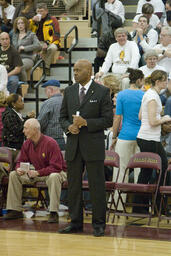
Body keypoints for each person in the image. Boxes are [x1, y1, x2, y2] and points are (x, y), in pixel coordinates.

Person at [59, 59, 113, 237]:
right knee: (73, 187)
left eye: (78, 70)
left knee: (96, 187)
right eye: (73, 70)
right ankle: (75, 223)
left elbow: (108, 120)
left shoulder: (102, 91)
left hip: (93, 146)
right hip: (74, 146)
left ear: (89, 70)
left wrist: (86, 123)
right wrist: (69, 127)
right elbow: (63, 117)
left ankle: (98, 225)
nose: (75, 73)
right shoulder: (69, 91)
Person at [3, 118, 67, 223]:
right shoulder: (27, 143)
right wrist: (19, 168)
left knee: (54, 177)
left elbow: (56, 167)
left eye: (26, 128)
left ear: (35, 130)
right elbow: (20, 161)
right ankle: (15, 210)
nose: (23, 131)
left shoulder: (51, 143)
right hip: (37, 172)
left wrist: (38, 173)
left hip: (57, 172)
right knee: (14, 175)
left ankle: (53, 212)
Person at [133, 70, 171, 213]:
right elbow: (153, 121)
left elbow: (140, 116)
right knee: (162, 168)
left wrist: (157, 116)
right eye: (165, 80)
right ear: (158, 82)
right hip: (150, 138)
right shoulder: (153, 97)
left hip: (146, 137)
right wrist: (165, 118)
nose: (166, 83)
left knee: (147, 171)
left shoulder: (148, 94)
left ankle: (141, 208)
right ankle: (159, 206)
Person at [110, 68, 145, 210]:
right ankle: (140, 205)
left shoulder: (122, 95)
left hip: (124, 136)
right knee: (140, 171)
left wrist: (114, 136)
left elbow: (118, 117)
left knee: (121, 171)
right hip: (141, 136)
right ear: (139, 80)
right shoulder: (145, 95)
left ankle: (117, 205)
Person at [29, 3, 61, 76]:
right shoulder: (33, 20)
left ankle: (46, 67)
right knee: (32, 48)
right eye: (38, 11)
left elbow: (56, 34)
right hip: (37, 41)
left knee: (52, 48)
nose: (39, 13)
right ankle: (37, 67)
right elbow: (28, 31)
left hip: (51, 41)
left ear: (46, 11)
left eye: (41, 11)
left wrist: (47, 43)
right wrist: (32, 21)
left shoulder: (53, 19)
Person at [37, 79, 65, 151]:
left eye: (46, 90)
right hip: (65, 139)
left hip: (51, 140)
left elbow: (41, 123)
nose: (46, 93)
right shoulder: (66, 101)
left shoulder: (48, 103)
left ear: (50, 90)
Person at [12, 16, 41, 82]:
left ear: (25, 24)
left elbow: (38, 46)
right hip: (17, 58)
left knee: (20, 67)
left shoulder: (31, 34)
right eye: (18, 23)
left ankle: (24, 86)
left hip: (28, 58)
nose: (20, 25)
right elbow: (14, 48)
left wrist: (25, 48)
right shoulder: (14, 35)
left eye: (22, 23)